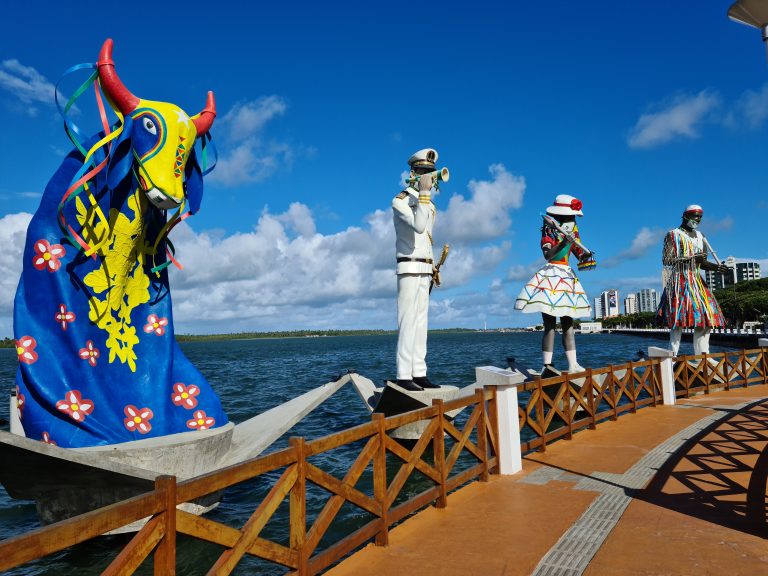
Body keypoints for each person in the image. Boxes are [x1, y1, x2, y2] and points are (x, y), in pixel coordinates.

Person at [514, 195, 595, 376]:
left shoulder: (573, 229)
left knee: (568, 324)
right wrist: (564, 242)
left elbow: (576, 252)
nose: (574, 219)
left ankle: (573, 364)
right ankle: (546, 365)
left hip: (566, 276)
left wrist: (584, 256)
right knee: (549, 325)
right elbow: (548, 255)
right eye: (571, 215)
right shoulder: (548, 229)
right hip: (551, 275)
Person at [392, 148, 442, 391]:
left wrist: (433, 268)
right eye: (424, 173)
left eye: (430, 174)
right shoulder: (400, 201)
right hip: (409, 266)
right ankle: (404, 374)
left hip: (424, 268)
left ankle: (419, 372)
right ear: (414, 173)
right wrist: (422, 194)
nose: (429, 179)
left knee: (422, 322)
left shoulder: (429, 204)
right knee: (408, 321)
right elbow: (420, 227)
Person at [657, 205, 729, 355]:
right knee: (677, 321)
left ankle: (702, 355)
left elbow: (702, 262)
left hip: (697, 282)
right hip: (680, 281)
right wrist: (689, 258)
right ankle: (672, 355)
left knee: (706, 318)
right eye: (694, 216)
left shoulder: (700, 236)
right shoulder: (673, 234)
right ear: (685, 216)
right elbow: (666, 260)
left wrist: (717, 268)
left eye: (700, 217)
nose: (697, 219)